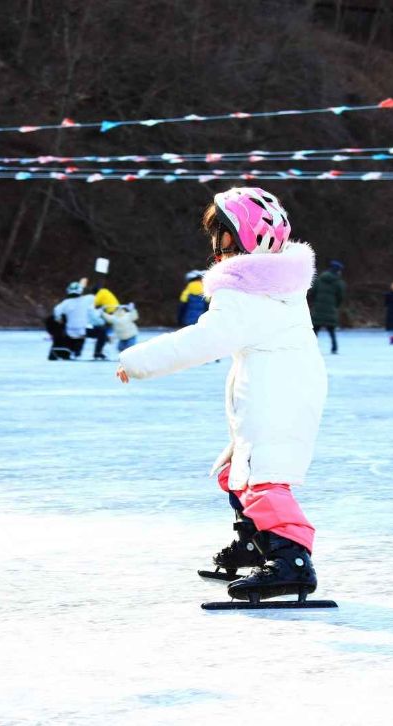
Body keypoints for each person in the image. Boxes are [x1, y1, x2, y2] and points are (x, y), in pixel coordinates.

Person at [116, 187, 326, 604]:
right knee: (237, 472)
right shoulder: (280, 286)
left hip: (277, 395)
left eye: (223, 236)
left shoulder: (246, 294)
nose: (217, 247)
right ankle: (255, 541)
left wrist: (138, 360)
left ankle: (292, 560)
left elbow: (205, 339)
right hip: (284, 388)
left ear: (245, 238)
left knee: (265, 477)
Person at [310, 259, 345, 354]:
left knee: (315, 330)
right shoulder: (339, 283)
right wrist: (335, 306)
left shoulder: (319, 280)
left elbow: (312, 293)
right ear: (338, 271)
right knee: (332, 331)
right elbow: (340, 297)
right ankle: (334, 348)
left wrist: (316, 303)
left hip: (318, 309)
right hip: (331, 310)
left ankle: (311, 348)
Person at [52, 281, 89, 359]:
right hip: (83, 329)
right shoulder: (86, 300)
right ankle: (77, 352)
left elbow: (56, 310)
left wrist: (58, 319)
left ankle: (71, 351)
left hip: (70, 329)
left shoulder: (66, 302)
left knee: (67, 334)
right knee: (83, 335)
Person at [91, 284, 120, 359]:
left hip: (110, 311)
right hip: (117, 310)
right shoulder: (106, 291)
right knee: (106, 327)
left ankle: (106, 340)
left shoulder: (100, 293)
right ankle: (106, 337)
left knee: (102, 327)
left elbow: (95, 303)